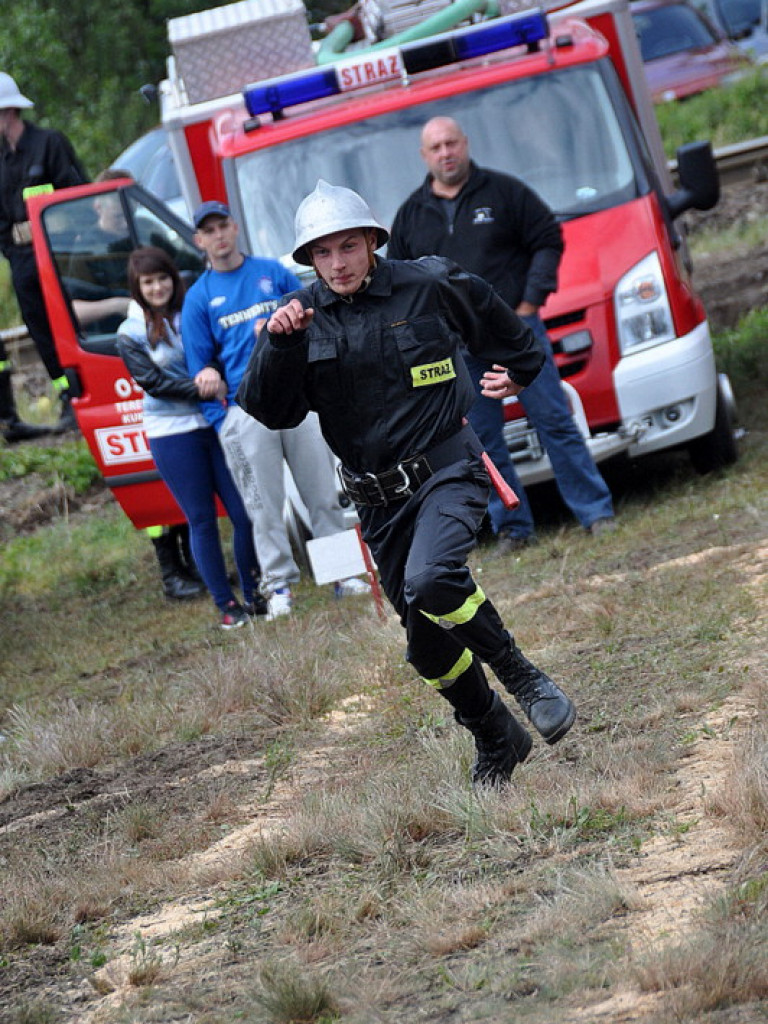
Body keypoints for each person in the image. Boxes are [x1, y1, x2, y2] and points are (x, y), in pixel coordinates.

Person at [237, 180, 577, 788]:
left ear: (372, 242)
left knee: (433, 578)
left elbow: (500, 323)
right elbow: (272, 411)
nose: (337, 263)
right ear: (309, 260)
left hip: (448, 468)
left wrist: (518, 371)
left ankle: (524, 676)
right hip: (376, 501)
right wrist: (280, 345)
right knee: (425, 646)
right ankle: (496, 737)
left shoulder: (428, 283)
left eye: (348, 246)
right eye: (323, 253)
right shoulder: (299, 321)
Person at [388, 117, 615, 552]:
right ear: (424, 156)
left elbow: (547, 237)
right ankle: (513, 528)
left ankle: (595, 512)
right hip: (458, 348)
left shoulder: (504, 191)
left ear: (466, 144)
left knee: (554, 421)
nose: (445, 153)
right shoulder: (411, 216)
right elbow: (400, 283)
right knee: (483, 443)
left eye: (451, 143)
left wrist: (531, 301)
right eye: (435, 147)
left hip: (515, 334)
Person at [182, 200, 369, 621]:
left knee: (322, 492)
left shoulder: (272, 272)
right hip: (246, 409)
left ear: (234, 227)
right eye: (208, 231)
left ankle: (343, 575)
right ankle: (280, 585)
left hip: (299, 400)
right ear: (200, 241)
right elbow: (200, 369)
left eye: (223, 226)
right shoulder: (199, 298)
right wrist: (224, 415)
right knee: (263, 505)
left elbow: (316, 316)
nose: (218, 236)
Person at [116, 246, 265, 629]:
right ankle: (227, 606)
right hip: (172, 434)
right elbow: (154, 383)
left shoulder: (192, 313)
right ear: (138, 287)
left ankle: (253, 593)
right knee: (201, 521)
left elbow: (215, 353)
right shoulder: (129, 332)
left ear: (173, 278)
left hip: (213, 423)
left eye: (163, 278)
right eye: (148, 282)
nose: (158, 287)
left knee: (244, 512)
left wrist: (214, 371)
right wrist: (202, 388)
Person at [0, 73, 88, 433]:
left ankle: (87, 388)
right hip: (22, 260)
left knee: (68, 322)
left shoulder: (49, 144)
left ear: (8, 112)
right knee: (40, 329)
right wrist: (12, 248)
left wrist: (59, 238)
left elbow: (78, 196)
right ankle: (67, 395)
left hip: (58, 255)